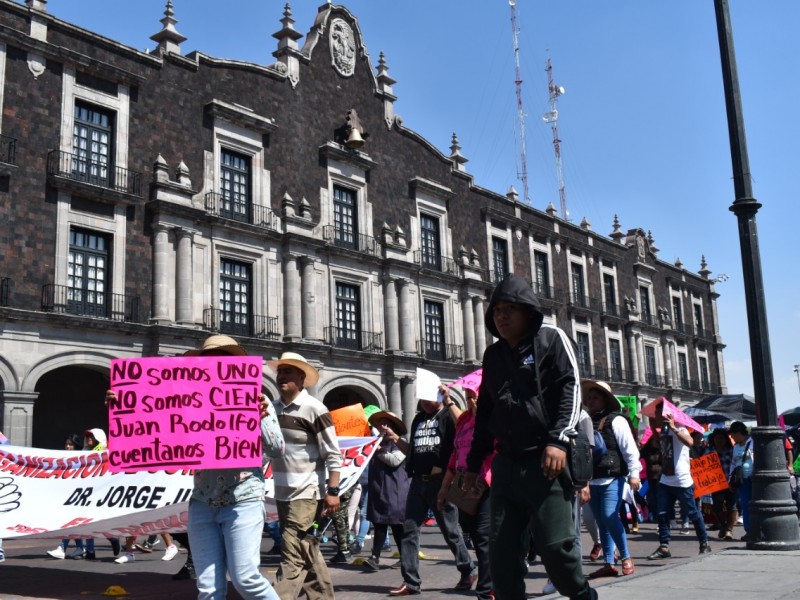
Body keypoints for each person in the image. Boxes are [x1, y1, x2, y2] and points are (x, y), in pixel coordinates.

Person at [464, 273, 597, 600]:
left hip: (546, 463)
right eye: (496, 310)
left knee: (556, 551)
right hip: (507, 465)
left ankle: (583, 595)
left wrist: (558, 440)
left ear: (528, 311)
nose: (502, 316)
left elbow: (571, 389)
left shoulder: (552, 339)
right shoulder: (493, 355)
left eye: (510, 308)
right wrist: (472, 463)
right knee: (502, 558)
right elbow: (486, 412)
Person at [172, 334, 284, 600]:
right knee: (208, 587)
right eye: (208, 360)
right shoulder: (189, 401)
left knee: (246, 579)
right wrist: (128, 405)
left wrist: (259, 418)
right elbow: (165, 434)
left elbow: (277, 449)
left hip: (242, 499)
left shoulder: (259, 399)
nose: (213, 365)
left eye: (221, 359)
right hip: (202, 502)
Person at [388, 375, 476, 596]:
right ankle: (410, 581)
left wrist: (448, 400)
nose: (425, 403)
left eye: (430, 398)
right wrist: (395, 439)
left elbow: (463, 425)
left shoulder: (447, 415)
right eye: (422, 399)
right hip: (418, 481)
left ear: (439, 395)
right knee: (409, 529)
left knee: (450, 531)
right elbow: (413, 452)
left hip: (442, 480)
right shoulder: (418, 420)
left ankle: (467, 570)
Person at [269, 351, 342, 600]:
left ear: (301, 378)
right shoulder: (271, 409)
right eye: (280, 371)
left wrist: (332, 492)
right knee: (306, 548)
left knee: (291, 555)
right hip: (282, 493)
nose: (282, 376)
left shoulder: (315, 408)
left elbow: (333, 453)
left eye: (288, 372)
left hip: (307, 494)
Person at [436, 384, 494, 600]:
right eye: (469, 398)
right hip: (464, 485)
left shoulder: (492, 420)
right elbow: (454, 456)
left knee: (483, 536)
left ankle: (487, 589)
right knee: (475, 535)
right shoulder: (464, 421)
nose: (472, 402)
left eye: (475, 397)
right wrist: (444, 489)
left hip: (487, 484)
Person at [582, 380, 641, 579]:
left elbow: (629, 448)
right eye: (589, 398)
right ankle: (609, 562)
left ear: (605, 400)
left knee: (609, 517)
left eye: (595, 398)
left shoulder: (617, 420)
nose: (590, 401)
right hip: (594, 479)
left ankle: (625, 557)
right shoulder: (587, 420)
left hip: (613, 477)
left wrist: (634, 473)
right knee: (601, 522)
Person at [646, 399, 710, 560]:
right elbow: (660, 447)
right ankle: (664, 546)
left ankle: (704, 542)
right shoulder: (664, 432)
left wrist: (674, 428)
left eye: (658, 414)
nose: (656, 416)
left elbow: (689, 443)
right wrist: (654, 429)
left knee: (692, 513)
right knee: (662, 514)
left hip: (682, 480)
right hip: (666, 479)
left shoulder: (680, 429)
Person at [363, 410, 410, 572]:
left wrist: (378, 451)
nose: (383, 426)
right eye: (381, 423)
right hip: (379, 490)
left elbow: (394, 460)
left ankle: (401, 557)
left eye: (387, 423)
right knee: (379, 522)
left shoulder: (400, 442)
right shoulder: (377, 442)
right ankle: (377, 557)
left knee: (396, 525)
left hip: (395, 490)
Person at [47, 434, 88, 559]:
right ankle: (80, 548)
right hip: (66, 495)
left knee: (69, 523)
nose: (68, 447)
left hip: (77, 496)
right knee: (70, 524)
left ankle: (63, 548)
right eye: (66, 444)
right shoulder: (62, 459)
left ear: (76, 446)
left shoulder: (81, 459)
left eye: (70, 445)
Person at [709, 428, 737, 540]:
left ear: (726, 439)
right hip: (716, 485)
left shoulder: (732, 451)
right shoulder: (709, 451)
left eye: (721, 438)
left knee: (732, 507)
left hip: (731, 483)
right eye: (717, 438)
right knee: (716, 508)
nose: (719, 440)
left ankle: (729, 530)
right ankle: (724, 526)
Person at [728, 421, 753, 539]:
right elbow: (733, 463)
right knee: (745, 504)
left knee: (754, 504)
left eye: (732, 435)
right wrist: (730, 479)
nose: (732, 437)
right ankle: (749, 530)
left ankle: (757, 529)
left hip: (753, 478)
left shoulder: (753, 442)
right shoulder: (736, 447)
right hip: (742, 480)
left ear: (738, 433)